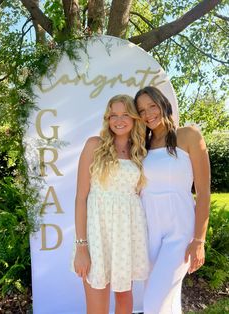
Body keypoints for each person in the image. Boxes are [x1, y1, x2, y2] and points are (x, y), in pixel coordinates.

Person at [134, 86, 211, 314]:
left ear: (163, 104)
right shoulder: (142, 147)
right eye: (142, 110)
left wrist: (199, 240)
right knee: (166, 303)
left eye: (152, 106)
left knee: (154, 305)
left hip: (180, 231)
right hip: (148, 231)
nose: (148, 114)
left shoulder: (188, 135)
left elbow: (204, 192)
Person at [72, 94, 149, 314]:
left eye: (125, 114)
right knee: (97, 309)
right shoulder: (94, 145)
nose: (119, 120)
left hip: (126, 235)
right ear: (107, 118)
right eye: (113, 115)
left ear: (134, 118)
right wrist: (81, 247)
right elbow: (81, 198)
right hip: (98, 235)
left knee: (125, 303)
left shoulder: (140, 152)